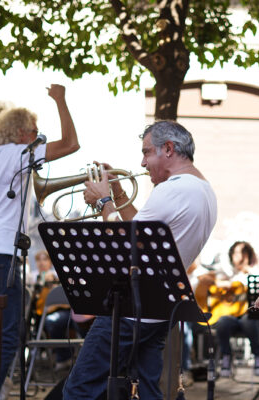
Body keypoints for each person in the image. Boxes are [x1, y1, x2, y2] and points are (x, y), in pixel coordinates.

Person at [63, 120, 217, 400]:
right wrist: (118, 194)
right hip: (159, 308)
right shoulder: (203, 189)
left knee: (80, 389)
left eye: (147, 152)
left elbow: (125, 242)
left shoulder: (173, 190)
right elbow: (140, 230)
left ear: (168, 149)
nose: (143, 163)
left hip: (132, 311)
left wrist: (102, 202)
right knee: (146, 391)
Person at [0, 84, 79, 396]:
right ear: (22, 132)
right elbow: (71, 144)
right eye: (35, 130)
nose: (40, 136)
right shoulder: (19, 154)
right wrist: (61, 101)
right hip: (1, 256)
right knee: (10, 334)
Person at [210, 241, 259, 377]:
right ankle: (226, 357)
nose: (238, 257)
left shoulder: (256, 274)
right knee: (223, 321)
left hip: (253, 321)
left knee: (248, 320)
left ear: (248, 255)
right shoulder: (228, 275)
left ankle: (258, 355)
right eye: (235, 253)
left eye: (242, 253)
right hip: (234, 320)